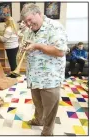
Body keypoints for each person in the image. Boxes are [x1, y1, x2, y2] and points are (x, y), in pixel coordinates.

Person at [20, 4, 68, 135]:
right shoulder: (29, 30)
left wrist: (37, 46)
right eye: (26, 21)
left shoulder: (55, 27)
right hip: (34, 77)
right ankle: (38, 120)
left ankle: (47, 132)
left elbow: (60, 51)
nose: (28, 24)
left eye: (30, 20)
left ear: (39, 14)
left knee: (50, 109)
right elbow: (26, 46)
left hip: (50, 79)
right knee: (38, 104)